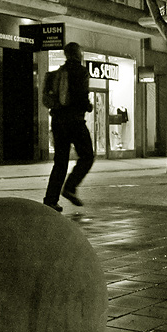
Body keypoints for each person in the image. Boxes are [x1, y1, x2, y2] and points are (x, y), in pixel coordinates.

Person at [43, 42, 94, 212]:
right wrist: (88, 106)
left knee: (60, 161)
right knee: (87, 156)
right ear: (78, 54)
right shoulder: (81, 71)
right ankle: (70, 187)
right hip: (75, 121)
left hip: (58, 121)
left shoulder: (56, 73)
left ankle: (50, 199)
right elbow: (81, 96)